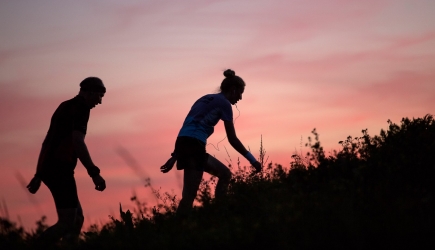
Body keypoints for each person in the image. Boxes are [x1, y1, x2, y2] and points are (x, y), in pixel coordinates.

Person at [160, 69, 262, 216]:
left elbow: (186, 126)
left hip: (184, 143)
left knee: (221, 176)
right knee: (191, 195)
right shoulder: (224, 104)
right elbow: (232, 139)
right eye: (240, 93)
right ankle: (213, 217)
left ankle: (217, 214)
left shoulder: (204, 98)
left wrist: (176, 154)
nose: (240, 98)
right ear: (233, 90)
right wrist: (253, 161)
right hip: (194, 146)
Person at [26, 77, 107, 245]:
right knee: (67, 222)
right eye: (100, 96)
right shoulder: (81, 108)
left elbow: (48, 141)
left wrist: (39, 174)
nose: (100, 102)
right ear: (90, 92)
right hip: (59, 170)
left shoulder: (65, 105)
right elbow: (78, 141)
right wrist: (94, 173)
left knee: (77, 219)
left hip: (53, 169)